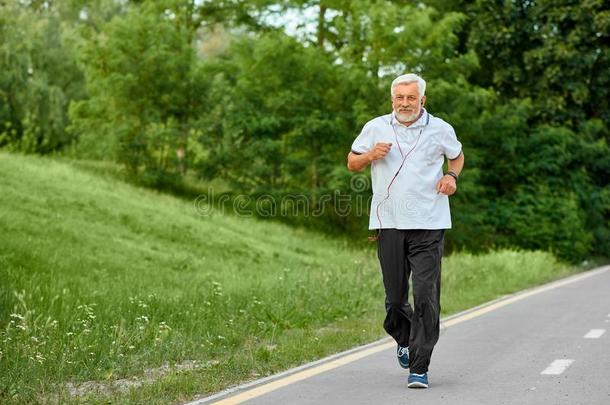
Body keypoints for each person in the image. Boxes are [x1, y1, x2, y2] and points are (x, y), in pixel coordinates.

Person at [346, 73, 464, 389]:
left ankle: (419, 366)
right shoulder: (375, 127)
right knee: (395, 300)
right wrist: (371, 155)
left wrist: (452, 176)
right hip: (389, 223)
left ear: (422, 100)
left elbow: (456, 156)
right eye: (400, 98)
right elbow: (352, 163)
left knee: (425, 296)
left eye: (411, 98)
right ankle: (404, 337)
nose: (405, 103)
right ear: (392, 100)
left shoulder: (440, 128)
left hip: (430, 222)